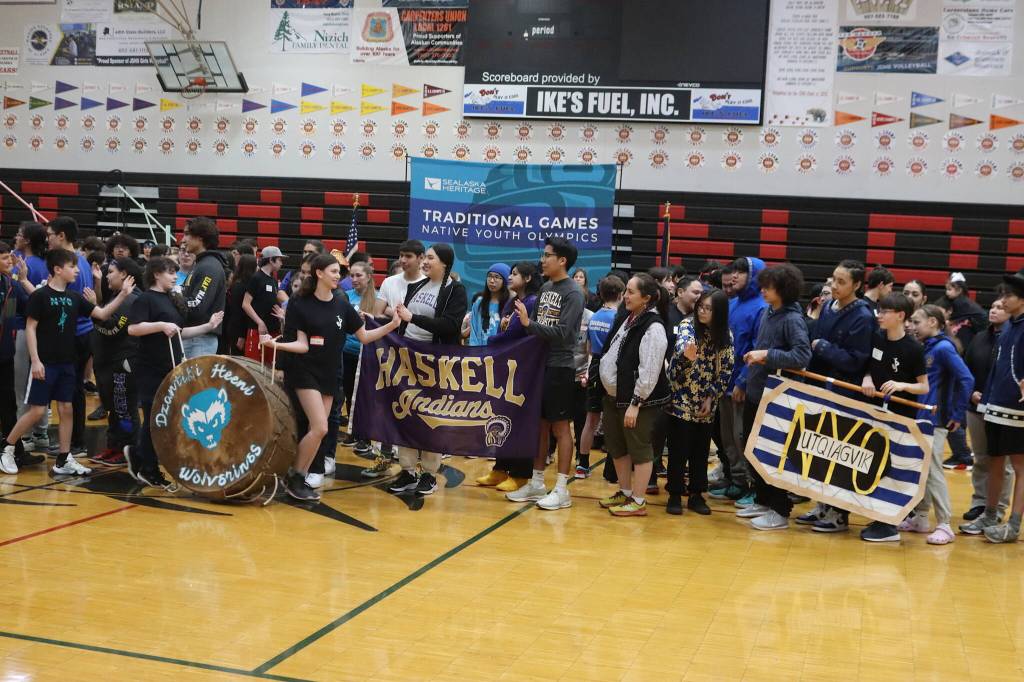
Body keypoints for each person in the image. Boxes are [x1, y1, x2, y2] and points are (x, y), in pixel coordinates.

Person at [262, 253, 400, 500]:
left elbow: (365, 337)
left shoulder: (341, 304)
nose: (340, 276)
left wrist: (392, 325)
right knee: (320, 427)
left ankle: (295, 477)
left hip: (329, 373)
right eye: (335, 271)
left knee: (320, 431)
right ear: (319, 273)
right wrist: (276, 346)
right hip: (304, 372)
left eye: (339, 272)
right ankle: (296, 477)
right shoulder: (299, 303)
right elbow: (302, 345)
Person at [0, 249, 136, 476]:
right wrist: (35, 361)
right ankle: (8, 448)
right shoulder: (40, 296)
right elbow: (31, 328)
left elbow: (101, 314)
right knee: (36, 411)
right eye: (72, 267)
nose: (76, 270)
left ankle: (63, 459)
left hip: (67, 363)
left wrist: (122, 295)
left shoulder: (74, 298)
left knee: (67, 409)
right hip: (44, 363)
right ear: (57, 269)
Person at [124, 258, 225, 488]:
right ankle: (149, 468)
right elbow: (133, 328)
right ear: (156, 274)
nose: (174, 277)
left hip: (170, 365)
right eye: (170, 272)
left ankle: (140, 455)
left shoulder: (171, 299)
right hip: (150, 367)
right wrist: (160, 325)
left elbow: (179, 332)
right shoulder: (145, 299)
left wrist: (208, 327)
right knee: (156, 416)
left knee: (166, 417)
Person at [506, 237, 585, 511]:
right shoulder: (546, 288)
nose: (543, 259)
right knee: (539, 425)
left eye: (548, 255)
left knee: (560, 427)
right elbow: (536, 328)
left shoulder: (573, 292)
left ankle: (562, 489)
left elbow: (564, 334)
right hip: (540, 365)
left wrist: (529, 323)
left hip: (560, 367)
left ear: (562, 260)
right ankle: (537, 481)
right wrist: (522, 325)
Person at [797, 259, 876, 533]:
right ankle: (822, 505)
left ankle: (839, 515)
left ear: (857, 285)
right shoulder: (828, 307)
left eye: (842, 282)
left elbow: (856, 361)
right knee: (817, 449)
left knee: (839, 454)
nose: (835, 285)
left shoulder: (863, 317)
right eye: (833, 279)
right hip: (820, 388)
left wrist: (822, 347)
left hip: (845, 392)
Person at [387, 244, 468, 496]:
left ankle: (429, 474)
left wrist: (413, 318)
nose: (425, 261)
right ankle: (408, 471)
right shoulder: (416, 286)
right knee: (406, 413)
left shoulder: (455, 290)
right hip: (408, 358)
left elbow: (450, 326)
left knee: (430, 418)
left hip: (435, 362)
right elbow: (406, 321)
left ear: (444, 263)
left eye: (430, 258)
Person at [738, 264, 812, 530]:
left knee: (773, 452)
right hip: (758, 392)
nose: (762, 290)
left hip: (779, 397)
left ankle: (779, 510)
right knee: (752, 448)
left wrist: (767, 355)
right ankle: (763, 499)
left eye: (768, 287)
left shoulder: (792, 319)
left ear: (782, 290)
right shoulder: (770, 311)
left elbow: (802, 357)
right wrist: (744, 381)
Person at [897, 305, 972, 545]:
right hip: (921, 417)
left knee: (933, 471)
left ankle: (944, 524)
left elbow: (966, 378)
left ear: (932, 322)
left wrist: (958, 414)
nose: (912, 326)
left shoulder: (942, 348)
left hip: (936, 420)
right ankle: (920, 517)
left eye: (916, 322)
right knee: (923, 469)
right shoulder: (927, 347)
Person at [596, 273, 670, 517]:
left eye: (630, 292)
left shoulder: (654, 327)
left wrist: (636, 403)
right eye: (625, 291)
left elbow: (649, 369)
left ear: (646, 298)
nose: (625, 295)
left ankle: (638, 501)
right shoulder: (629, 318)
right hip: (614, 397)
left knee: (639, 449)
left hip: (635, 401)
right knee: (617, 448)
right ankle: (625, 492)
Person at [858, 293, 930, 542]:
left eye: (885, 311)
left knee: (894, 466)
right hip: (875, 412)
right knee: (875, 463)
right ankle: (880, 516)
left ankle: (890, 524)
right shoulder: (878, 339)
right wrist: (867, 378)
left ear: (900, 316)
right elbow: (870, 366)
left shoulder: (913, 349)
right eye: (879, 310)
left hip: (901, 417)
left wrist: (901, 386)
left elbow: (924, 387)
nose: (879, 315)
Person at [665, 288, 733, 516]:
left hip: (706, 401)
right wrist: (686, 355)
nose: (702, 311)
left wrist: (712, 395)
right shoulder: (687, 326)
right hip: (681, 397)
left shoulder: (725, 335)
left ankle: (697, 494)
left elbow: (726, 370)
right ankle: (675, 493)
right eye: (700, 306)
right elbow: (679, 359)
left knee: (701, 449)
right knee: (678, 448)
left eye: (708, 308)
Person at [477, 261, 544, 491]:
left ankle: (520, 473)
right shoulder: (512, 301)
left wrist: (496, 339)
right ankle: (500, 468)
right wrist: (500, 334)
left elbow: (513, 334)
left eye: (514, 274)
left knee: (519, 421)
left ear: (526, 278)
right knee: (501, 419)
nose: (510, 277)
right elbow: (502, 331)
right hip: (506, 367)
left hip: (523, 369)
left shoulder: (533, 302)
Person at [971, 273, 1024, 543]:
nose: (1002, 300)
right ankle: (990, 514)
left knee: (1020, 467)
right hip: (995, 403)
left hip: (1017, 408)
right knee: (994, 461)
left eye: (1008, 296)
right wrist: (988, 397)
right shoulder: (1010, 326)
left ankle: (1013, 524)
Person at [709, 257, 766, 505]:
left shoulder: (762, 307)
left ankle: (752, 485)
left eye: (742, 272)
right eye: (734, 271)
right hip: (723, 382)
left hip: (743, 385)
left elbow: (757, 348)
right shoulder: (731, 304)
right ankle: (737, 480)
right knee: (727, 437)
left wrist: (743, 382)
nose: (734, 277)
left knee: (743, 436)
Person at [959, 296, 1014, 530]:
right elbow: (966, 368)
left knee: (1005, 463)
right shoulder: (980, 337)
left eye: (1000, 307)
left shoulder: (1015, 340)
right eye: (992, 306)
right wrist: (971, 392)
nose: (994, 310)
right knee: (981, 458)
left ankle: (999, 507)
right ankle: (980, 503)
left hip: (1003, 407)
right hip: (976, 406)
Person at [46, 217, 94, 457]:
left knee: (71, 390)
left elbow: (67, 304)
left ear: (62, 236)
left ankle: (76, 442)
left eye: (50, 234)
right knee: (74, 389)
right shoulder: (82, 261)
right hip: (83, 332)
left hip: (74, 334)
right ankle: (75, 441)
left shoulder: (70, 265)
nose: (48, 239)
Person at [88, 257, 143, 467]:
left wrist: (94, 311)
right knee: (113, 407)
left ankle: (129, 448)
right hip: (107, 362)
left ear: (124, 274)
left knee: (124, 408)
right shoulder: (117, 296)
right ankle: (114, 445)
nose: (107, 276)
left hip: (122, 363)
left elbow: (112, 329)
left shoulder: (131, 300)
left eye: (111, 272)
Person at [576, 276, 625, 478]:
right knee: (614, 419)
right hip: (613, 367)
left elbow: (588, 348)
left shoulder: (594, 317)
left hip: (595, 365)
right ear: (621, 295)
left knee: (591, 419)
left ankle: (583, 464)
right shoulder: (619, 319)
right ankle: (611, 469)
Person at [0, 242, 43, 471]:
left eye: (10, 257)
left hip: (5, 353)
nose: (10, 262)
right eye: (5, 258)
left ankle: (15, 450)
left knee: (8, 405)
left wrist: (24, 279)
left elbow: (19, 310)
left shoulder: (10, 284)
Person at [12, 222, 50, 453]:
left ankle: (23, 436)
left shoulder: (22, 265)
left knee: (20, 386)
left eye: (19, 234)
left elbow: (15, 298)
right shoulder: (47, 263)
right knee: (39, 381)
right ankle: (41, 432)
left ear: (26, 240)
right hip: (44, 331)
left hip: (24, 328)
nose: (16, 237)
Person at [338, 262, 376, 460]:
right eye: (351, 275)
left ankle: (366, 435)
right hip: (345, 352)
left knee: (364, 395)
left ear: (368, 276)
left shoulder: (376, 298)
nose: (353, 279)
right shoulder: (347, 296)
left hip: (366, 353)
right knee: (349, 392)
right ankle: (353, 431)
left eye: (358, 275)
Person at [180, 217, 227, 358]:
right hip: (194, 337)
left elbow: (197, 305)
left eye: (187, 234)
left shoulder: (209, 266)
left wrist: (172, 299)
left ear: (200, 239)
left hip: (200, 340)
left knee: (195, 381)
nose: (183, 239)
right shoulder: (201, 264)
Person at [242, 246, 288, 360]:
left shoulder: (272, 280)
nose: (282, 263)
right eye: (280, 260)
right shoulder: (256, 278)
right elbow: (245, 304)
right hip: (258, 331)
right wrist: (259, 322)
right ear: (271, 260)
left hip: (273, 330)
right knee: (255, 366)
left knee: (269, 368)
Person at [468, 263, 511, 346]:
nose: (492, 280)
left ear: (505, 281)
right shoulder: (479, 302)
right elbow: (473, 330)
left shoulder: (510, 304)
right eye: (490, 276)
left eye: (497, 277)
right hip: (480, 354)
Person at [223, 254, 257, 355]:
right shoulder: (241, 287)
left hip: (236, 328)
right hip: (238, 330)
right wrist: (241, 336)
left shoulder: (239, 284)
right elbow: (238, 313)